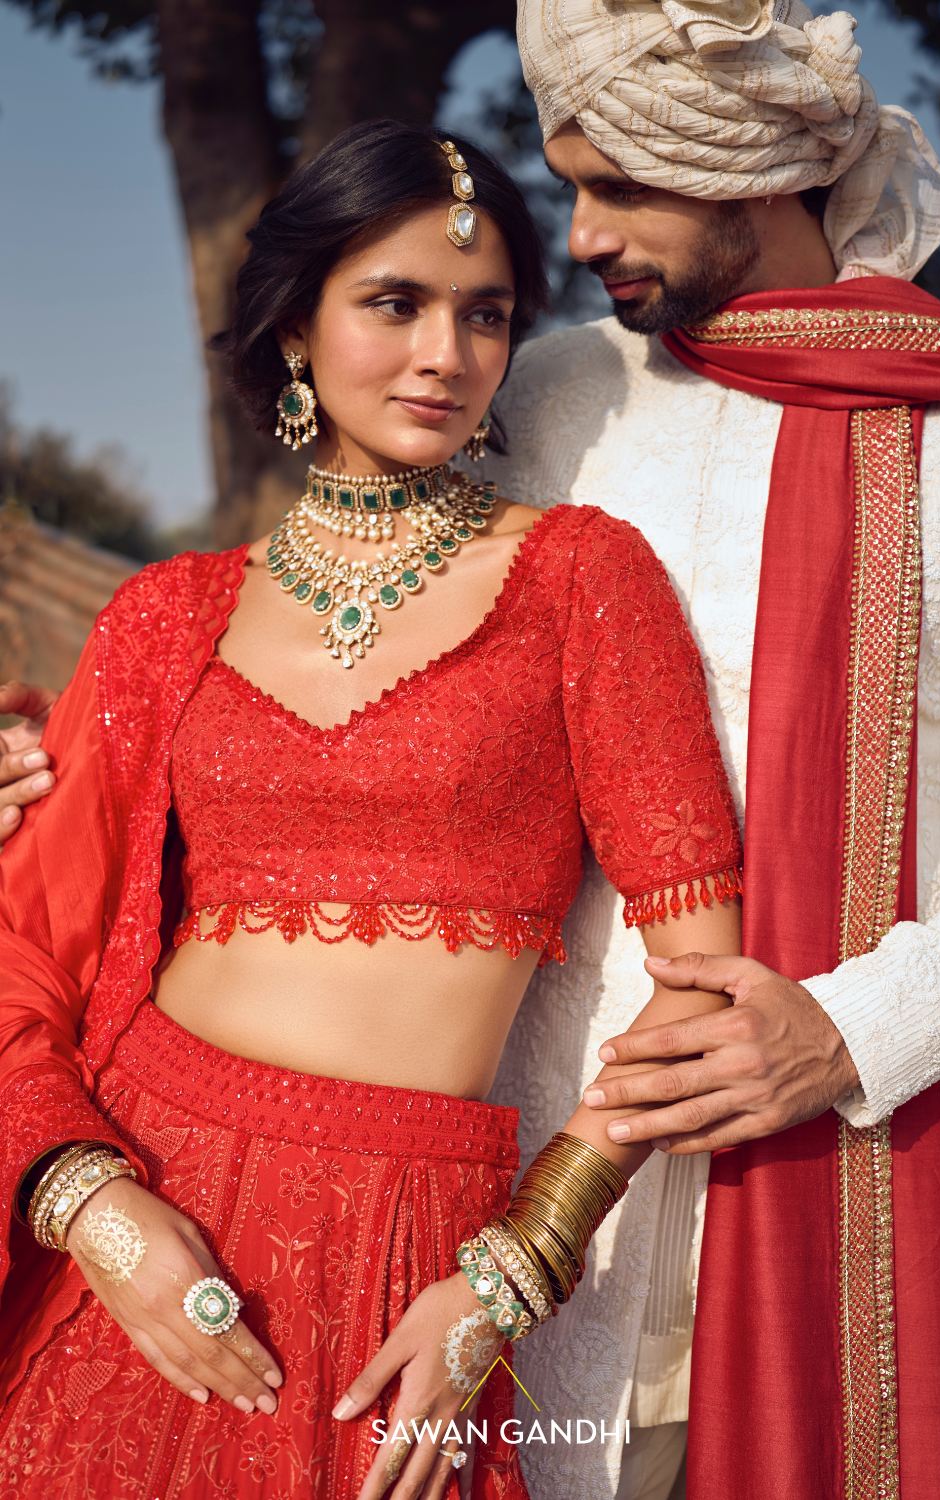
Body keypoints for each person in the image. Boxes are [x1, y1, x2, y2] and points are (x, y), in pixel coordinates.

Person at [0, 120, 745, 1500]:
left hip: (407, 1257)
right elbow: (21, 949)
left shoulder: (583, 582)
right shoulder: (166, 619)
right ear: (296, 323)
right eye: (393, 303)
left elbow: (703, 982)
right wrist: (96, 1212)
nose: (443, 355)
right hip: (139, 1201)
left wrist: (515, 1270)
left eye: (486, 315)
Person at [462, 3, 940, 1499]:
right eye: (567, 184)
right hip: (542, 1196)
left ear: (751, 171)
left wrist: (845, 1030)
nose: (576, 236)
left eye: (619, 186)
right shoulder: (547, 400)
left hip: (854, 1161)